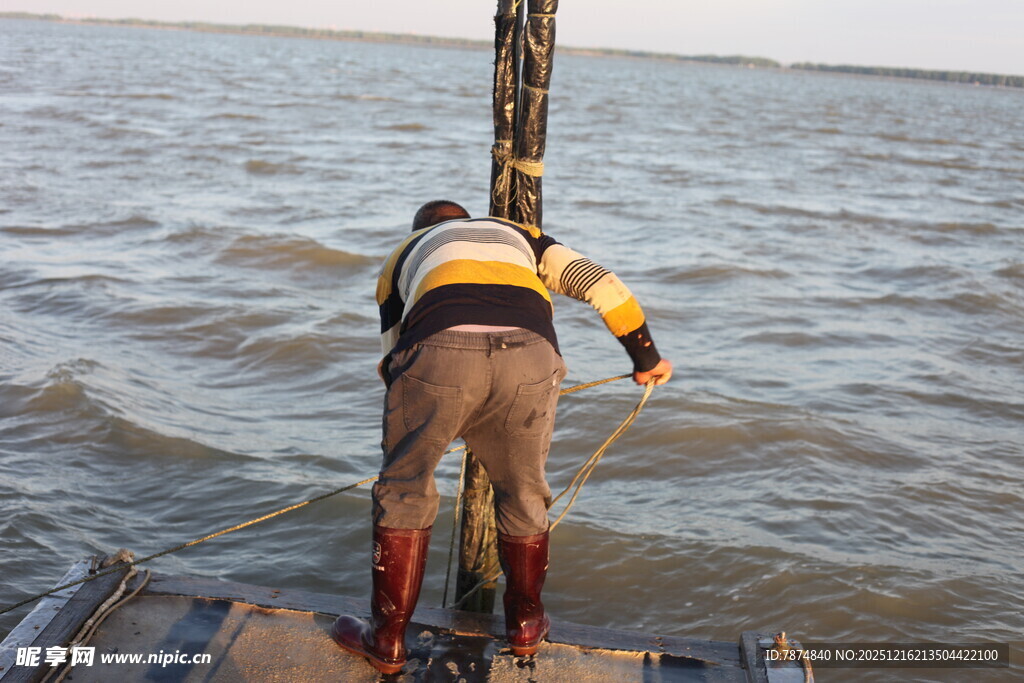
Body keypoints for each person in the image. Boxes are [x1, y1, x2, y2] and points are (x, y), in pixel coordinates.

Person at [332, 200, 672, 674]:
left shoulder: (402, 256)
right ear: (468, 222)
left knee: (404, 492)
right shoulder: (520, 235)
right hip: (530, 356)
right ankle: (526, 626)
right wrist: (646, 359)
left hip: (438, 357)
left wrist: (438, 417)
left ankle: (387, 641)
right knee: (524, 491)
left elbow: (394, 360)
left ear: (422, 231)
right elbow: (602, 285)